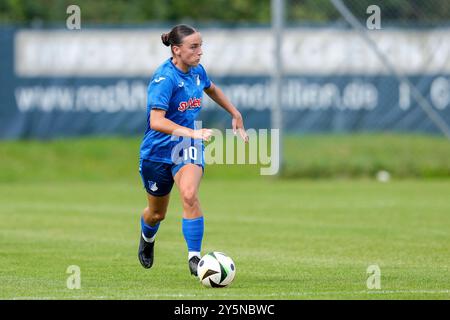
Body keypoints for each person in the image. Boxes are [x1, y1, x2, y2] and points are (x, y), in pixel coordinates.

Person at [138, 24, 248, 276]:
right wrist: (193, 132)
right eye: (194, 47)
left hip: (186, 146)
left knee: (189, 194)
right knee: (156, 214)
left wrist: (234, 112)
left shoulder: (197, 71)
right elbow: (156, 121)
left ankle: (195, 258)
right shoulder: (164, 79)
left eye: (201, 46)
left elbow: (211, 88)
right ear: (176, 50)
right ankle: (147, 237)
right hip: (156, 151)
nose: (200, 52)